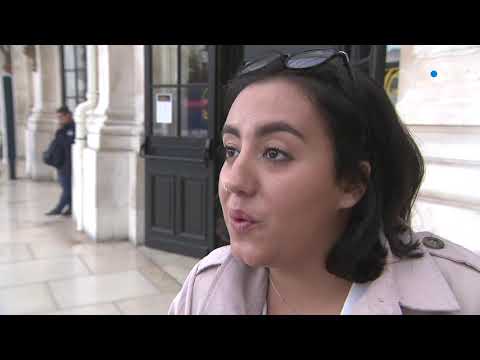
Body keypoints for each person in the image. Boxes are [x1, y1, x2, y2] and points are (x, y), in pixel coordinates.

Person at [168, 49, 480, 315]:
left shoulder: (466, 294)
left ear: (352, 183)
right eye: (232, 150)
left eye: (274, 153)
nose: (234, 180)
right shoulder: (206, 287)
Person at [45, 106, 75, 216]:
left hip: (68, 164)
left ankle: (59, 208)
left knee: (67, 188)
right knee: (66, 186)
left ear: (68, 115)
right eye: (58, 118)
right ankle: (70, 208)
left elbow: (68, 144)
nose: (59, 120)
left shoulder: (72, 128)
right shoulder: (62, 129)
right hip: (61, 164)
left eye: (61, 117)